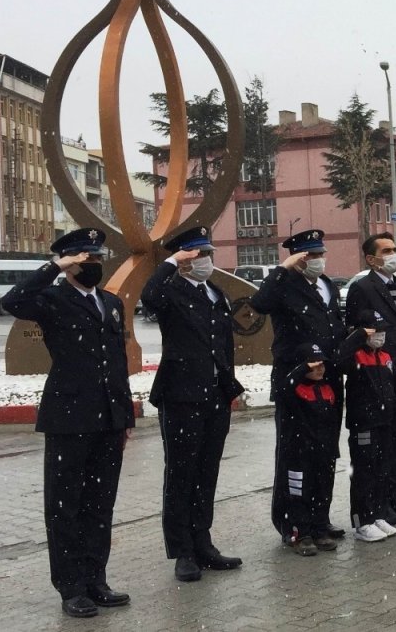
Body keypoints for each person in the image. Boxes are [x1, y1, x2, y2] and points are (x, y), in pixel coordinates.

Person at [2, 228, 134, 619]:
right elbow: (13, 301)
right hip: (69, 418)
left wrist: (124, 417)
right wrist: (53, 267)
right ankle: (71, 587)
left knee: (100, 504)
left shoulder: (110, 302)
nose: (92, 264)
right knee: (65, 506)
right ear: (68, 262)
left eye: (95, 258)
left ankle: (97, 579)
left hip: (108, 418)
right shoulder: (51, 299)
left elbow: (117, 365)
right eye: (83, 259)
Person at [140, 226, 245, 583]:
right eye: (197, 254)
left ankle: (203, 542)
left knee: (206, 472)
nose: (205, 260)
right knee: (181, 474)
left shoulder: (216, 292)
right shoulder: (169, 290)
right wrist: (171, 261)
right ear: (184, 259)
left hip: (215, 395)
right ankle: (182, 551)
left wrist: (230, 385)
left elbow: (222, 346)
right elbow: (148, 296)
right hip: (182, 395)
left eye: (207, 253)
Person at [250, 229, 350, 545]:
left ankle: (320, 519)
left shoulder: (326, 286)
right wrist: (282, 269)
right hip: (295, 380)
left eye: (321, 254)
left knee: (325, 454)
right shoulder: (284, 286)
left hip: (328, 379)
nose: (318, 260)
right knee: (296, 457)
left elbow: (336, 326)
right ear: (298, 258)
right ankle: (294, 525)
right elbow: (259, 303)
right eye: (311, 256)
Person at [344, 232, 396, 522]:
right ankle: (378, 506)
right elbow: (357, 334)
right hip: (379, 378)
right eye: (387, 250)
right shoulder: (362, 288)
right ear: (371, 258)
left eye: (394, 249)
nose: (393, 254)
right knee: (382, 445)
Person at [270, 343, 340, 556]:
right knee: (299, 495)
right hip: (300, 456)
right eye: (314, 365)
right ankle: (300, 534)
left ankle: (319, 529)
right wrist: (301, 369)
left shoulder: (328, 389)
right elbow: (281, 390)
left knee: (322, 492)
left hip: (323, 453)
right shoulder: (294, 390)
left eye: (322, 365)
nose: (320, 369)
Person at [338, 307, 396, 542]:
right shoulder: (355, 356)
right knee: (364, 470)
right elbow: (339, 359)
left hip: (384, 422)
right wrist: (357, 337)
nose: (380, 336)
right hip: (364, 423)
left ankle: (378, 513)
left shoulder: (384, 356)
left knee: (382, 469)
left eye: (383, 331)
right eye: (375, 331)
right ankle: (362, 521)